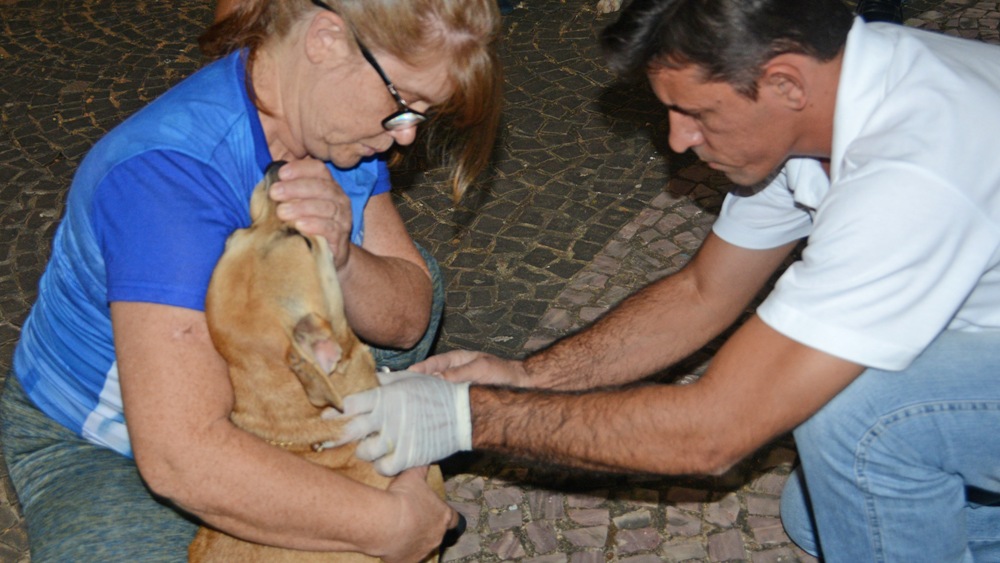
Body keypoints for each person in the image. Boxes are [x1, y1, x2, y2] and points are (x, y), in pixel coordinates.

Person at [332, 0, 1000, 560]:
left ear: (786, 84)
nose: (678, 140)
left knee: (863, 425)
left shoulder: (910, 171)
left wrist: (465, 416)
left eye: (697, 114)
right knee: (825, 512)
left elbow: (715, 431)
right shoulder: (822, 102)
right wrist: (526, 377)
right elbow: (703, 292)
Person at [0, 0, 501, 560]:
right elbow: (179, 457)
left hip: (261, 395)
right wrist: (391, 524)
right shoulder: (167, 184)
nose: (407, 136)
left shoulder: (333, 127)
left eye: (421, 112)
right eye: (403, 102)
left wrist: (340, 257)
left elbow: (408, 321)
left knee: (407, 275)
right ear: (327, 39)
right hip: (104, 444)